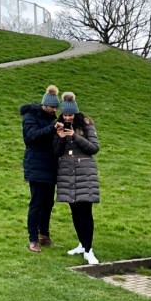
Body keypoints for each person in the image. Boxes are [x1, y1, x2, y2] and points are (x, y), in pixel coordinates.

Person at [53, 91, 100, 265]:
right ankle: (82, 244)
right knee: (74, 210)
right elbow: (56, 152)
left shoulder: (87, 125)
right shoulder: (58, 126)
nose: (68, 118)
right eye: (65, 115)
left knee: (85, 211)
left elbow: (94, 148)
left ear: (76, 113)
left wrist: (74, 136)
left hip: (84, 173)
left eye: (70, 115)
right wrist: (60, 138)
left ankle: (89, 250)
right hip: (67, 172)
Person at [20, 84, 60, 253]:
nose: (54, 110)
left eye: (56, 107)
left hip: (50, 165)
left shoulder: (52, 118)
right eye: (52, 107)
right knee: (36, 203)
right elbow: (31, 137)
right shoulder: (30, 116)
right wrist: (52, 127)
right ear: (45, 105)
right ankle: (33, 239)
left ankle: (44, 235)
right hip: (36, 165)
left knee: (48, 203)